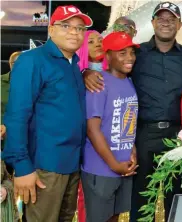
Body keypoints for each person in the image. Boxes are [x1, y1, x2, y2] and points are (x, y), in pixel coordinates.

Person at [82, 2, 182, 221]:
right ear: (153, 22)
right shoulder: (137, 53)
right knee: (141, 200)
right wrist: (87, 72)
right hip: (143, 135)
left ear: (180, 24)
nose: (166, 23)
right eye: (161, 18)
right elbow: (111, 70)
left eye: (171, 19)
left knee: (176, 198)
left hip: (178, 137)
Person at [2, 5, 92, 221]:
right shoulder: (33, 60)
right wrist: (22, 167)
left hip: (71, 164)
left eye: (80, 28)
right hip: (44, 166)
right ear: (51, 29)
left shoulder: (73, 64)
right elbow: (16, 116)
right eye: (66, 26)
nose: (74, 32)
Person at [82, 32, 139, 222]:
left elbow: (127, 121)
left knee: (114, 217)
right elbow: (92, 129)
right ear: (107, 56)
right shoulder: (98, 83)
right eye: (122, 53)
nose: (129, 58)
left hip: (123, 167)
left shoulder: (128, 82)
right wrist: (114, 164)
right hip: (101, 168)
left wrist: (132, 150)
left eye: (131, 52)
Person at [75, 29, 106, 222]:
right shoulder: (78, 74)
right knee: (85, 195)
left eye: (100, 40)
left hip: (109, 142)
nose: (97, 44)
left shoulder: (116, 73)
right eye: (91, 41)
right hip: (85, 142)